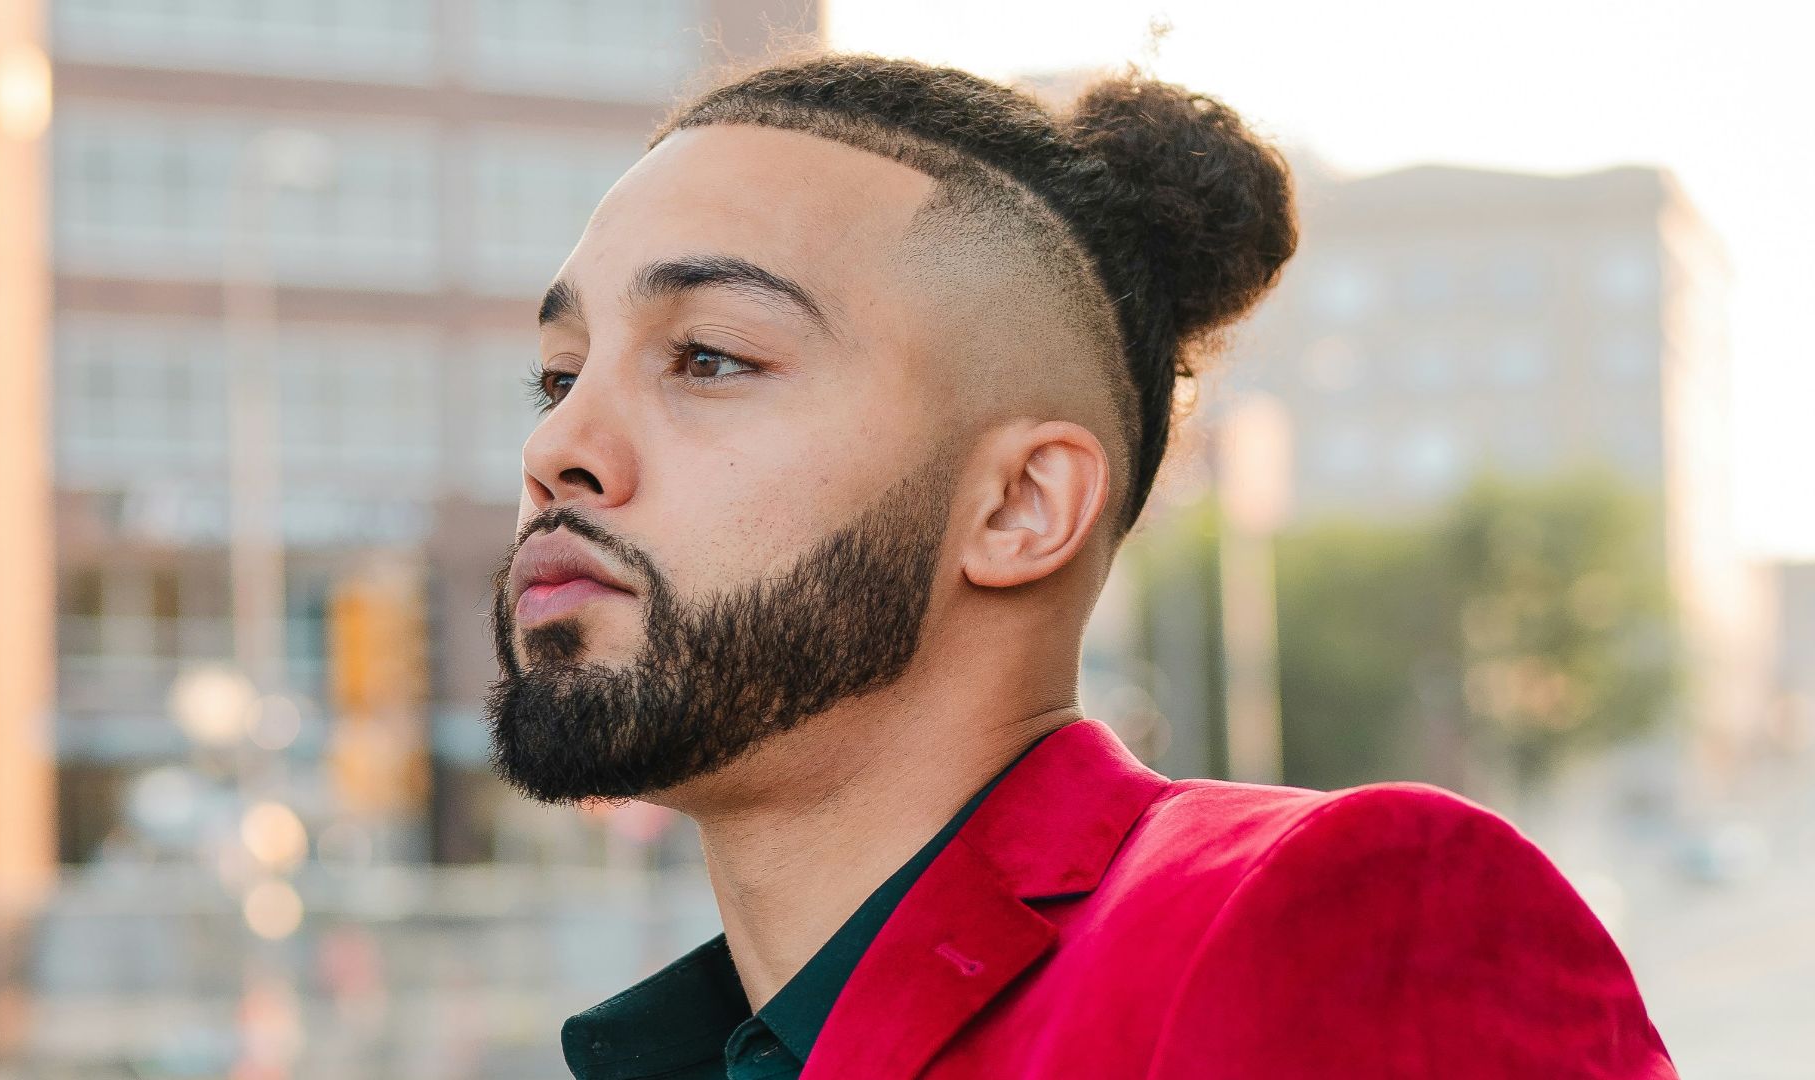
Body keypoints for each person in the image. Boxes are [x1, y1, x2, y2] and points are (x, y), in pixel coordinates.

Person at [482, 51, 1676, 1079]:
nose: (557, 448)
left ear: (1018, 506)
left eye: (707, 357)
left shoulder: (1336, 920)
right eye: (559, 374)